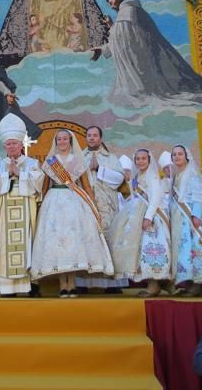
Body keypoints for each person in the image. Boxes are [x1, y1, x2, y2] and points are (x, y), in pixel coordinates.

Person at [31, 128, 114, 297]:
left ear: (70, 141)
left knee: (74, 242)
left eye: (65, 139)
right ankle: (63, 283)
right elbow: (45, 187)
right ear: (56, 142)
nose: (62, 142)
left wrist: (94, 206)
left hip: (75, 202)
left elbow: (86, 186)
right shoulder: (50, 162)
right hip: (53, 205)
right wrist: (39, 207)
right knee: (58, 243)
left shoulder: (78, 160)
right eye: (59, 139)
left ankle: (72, 283)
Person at [99, 0, 202, 109]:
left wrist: (104, 46)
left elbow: (122, 38)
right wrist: (110, 25)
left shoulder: (127, 11)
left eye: (111, 2)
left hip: (141, 56)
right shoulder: (133, 10)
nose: (111, 6)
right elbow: (123, 36)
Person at [0, 113, 42, 297]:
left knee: (28, 245)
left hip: (26, 212)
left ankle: (30, 286)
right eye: (8, 144)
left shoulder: (32, 163)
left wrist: (20, 173)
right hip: (4, 213)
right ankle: (7, 288)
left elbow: (38, 184)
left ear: (21, 144)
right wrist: (7, 175)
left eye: (14, 143)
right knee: (5, 246)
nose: (11, 147)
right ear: (4, 146)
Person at [106, 149, 171, 297]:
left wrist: (148, 218)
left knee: (149, 248)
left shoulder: (153, 176)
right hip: (136, 215)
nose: (140, 161)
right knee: (139, 249)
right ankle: (156, 284)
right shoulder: (136, 176)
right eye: (138, 159)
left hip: (150, 218)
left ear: (149, 160)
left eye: (143, 159)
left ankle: (154, 284)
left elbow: (155, 198)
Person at [76, 125, 130, 294]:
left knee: (109, 239)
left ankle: (113, 284)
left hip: (106, 206)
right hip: (85, 204)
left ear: (100, 138)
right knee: (87, 240)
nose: (91, 138)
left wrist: (100, 170)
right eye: (89, 135)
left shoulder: (110, 157)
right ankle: (85, 282)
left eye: (95, 135)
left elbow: (120, 178)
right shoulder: (79, 157)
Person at [169, 144, 202, 296]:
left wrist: (196, 215)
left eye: (180, 154)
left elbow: (198, 196)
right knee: (183, 251)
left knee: (195, 249)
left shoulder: (193, 173)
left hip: (191, 217)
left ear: (187, 156)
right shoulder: (176, 175)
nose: (177, 157)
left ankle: (198, 284)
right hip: (179, 218)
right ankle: (188, 282)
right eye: (174, 155)